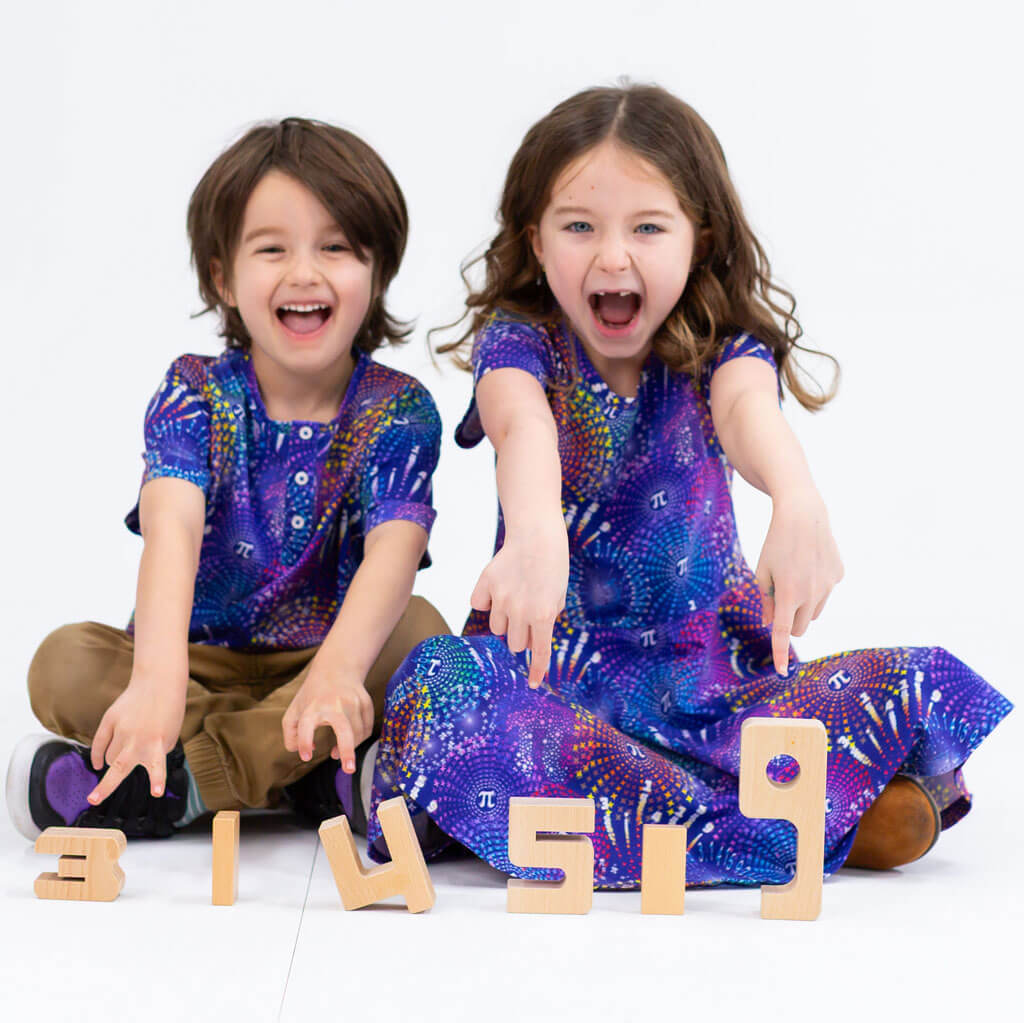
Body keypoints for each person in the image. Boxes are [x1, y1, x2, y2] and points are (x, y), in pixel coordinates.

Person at [363, 84, 1012, 887]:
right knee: (438, 681)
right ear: (536, 242)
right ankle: (804, 825)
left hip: (715, 688)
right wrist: (534, 527)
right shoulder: (520, 345)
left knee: (915, 682)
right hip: (557, 684)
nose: (612, 257)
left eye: (647, 227)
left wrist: (797, 496)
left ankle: (639, 824)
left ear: (698, 239)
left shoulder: (722, 347)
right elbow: (520, 426)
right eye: (579, 227)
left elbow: (747, 412)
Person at [7, 117, 448, 840]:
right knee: (62, 663)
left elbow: (394, 552)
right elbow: (172, 529)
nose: (304, 273)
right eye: (272, 248)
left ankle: (185, 785)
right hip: (192, 665)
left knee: (424, 636)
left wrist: (338, 673)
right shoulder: (195, 393)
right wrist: (155, 682)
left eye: (336, 247)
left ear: (377, 272)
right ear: (223, 277)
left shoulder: (397, 409)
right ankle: (307, 775)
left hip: (325, 661)